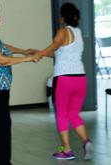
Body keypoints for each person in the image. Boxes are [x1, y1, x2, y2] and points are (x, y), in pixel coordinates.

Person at [0, 3, 41, 165]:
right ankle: (1, 161)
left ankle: (1, 160)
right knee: (2, 123)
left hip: (1, 87)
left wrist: (23, 51)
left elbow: (4, 48)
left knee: (3, 123)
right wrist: (28, 58)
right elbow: (2, 60)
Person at [36, 2, 93, 160]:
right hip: (80, 78)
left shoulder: (62, 32)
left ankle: (67, 150)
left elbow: (52, 48)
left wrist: (38, 54)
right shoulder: (79, 32)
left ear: (62, 17)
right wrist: (40, 53)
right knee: (74, 114)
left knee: (61, 114)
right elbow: (59, 52)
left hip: (64, 78)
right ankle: (86, 142)